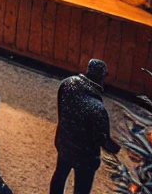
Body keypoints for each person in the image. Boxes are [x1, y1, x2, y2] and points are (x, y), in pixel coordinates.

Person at [50, 59, 120, 194]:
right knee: (82, 188)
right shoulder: (98, 109)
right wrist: (118, 149)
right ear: (102, 77)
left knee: (60, 174)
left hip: (64, 142)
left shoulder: (67, 83)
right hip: (86, 157)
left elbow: (61, 112)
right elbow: (103, 141)